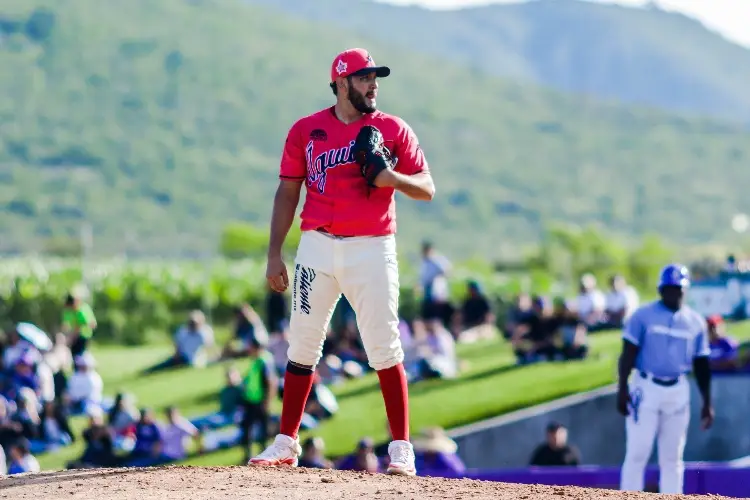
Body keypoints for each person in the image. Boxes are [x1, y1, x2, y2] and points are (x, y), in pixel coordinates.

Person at [250, 47, 435, 477]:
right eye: (364, 77)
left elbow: (426, 187)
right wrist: (274, 252)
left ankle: (401, 448)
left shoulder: (391, 128)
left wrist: (392, 179)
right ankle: (286, 442)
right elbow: (287, 191)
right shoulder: (306, 130)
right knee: (302, 344)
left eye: (376, 78)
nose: (373, 85)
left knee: (384, 346)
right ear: (341, 82)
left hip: (372, 245)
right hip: (316, 244)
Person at [617, 264, 714, 494]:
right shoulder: (643, 315)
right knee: (638, 452)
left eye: (677, 288)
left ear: (685, 290)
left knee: (672, 457)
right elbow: (627, 354)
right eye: (668, 288)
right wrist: (622, 388)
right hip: (646, 386)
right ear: (661, 289)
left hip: (678, 388)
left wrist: (707, 402)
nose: (673, 292)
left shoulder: (695, 322)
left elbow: (701, 365)